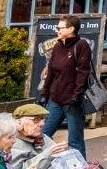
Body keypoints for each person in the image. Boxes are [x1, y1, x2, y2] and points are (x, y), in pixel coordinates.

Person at [38, 15, 94, 157]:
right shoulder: (57, 46)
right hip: (55, 99)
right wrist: (45, 94)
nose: (56, 30)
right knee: (43, 135)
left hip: (72, 101)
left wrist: (76, 95)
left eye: (59, 27)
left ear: (71, 29)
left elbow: (83, 73)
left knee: (75, 140)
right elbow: (51, 72)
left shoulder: (81, 46)